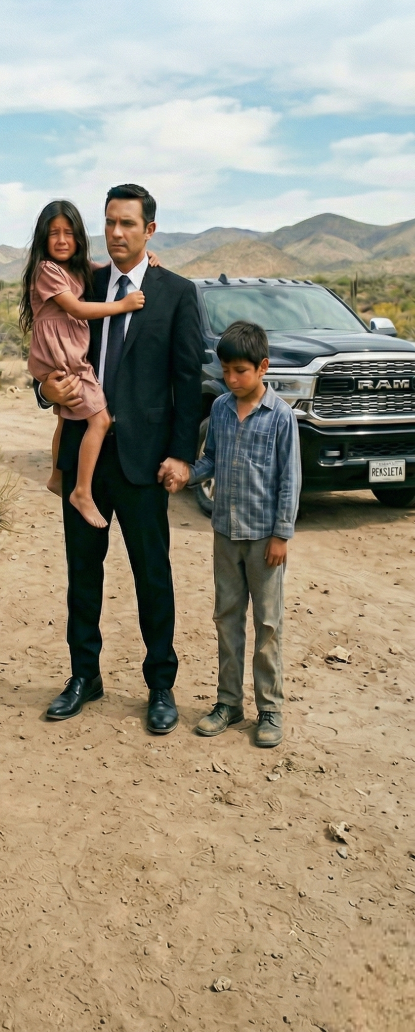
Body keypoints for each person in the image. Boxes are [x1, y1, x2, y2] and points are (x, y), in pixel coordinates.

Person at [37, 184, 203, 731]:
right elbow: (51, 350)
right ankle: (84, 675)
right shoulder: (83, 284)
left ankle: (160, 686)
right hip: (86, 456)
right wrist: (46, 394)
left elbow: (187, 380)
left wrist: (182, 456)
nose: (116, 233)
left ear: (149, 230)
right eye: (109, 222)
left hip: (143, 462)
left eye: (127, 224)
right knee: (81, 573)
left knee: (151, 574)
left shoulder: (176, 293)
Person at [162, 320, 300, 749]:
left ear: (263, 367)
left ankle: (270, 710)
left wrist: (281, 535)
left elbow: (289, 481)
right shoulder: (221, 409)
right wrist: (184, 474)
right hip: (225, 533)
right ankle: (228, 703)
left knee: (268, 623)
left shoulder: (280, 416)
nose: (231, 379)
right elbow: (211, 462)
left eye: (240, 371)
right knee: (227, 619)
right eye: (225, 371)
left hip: (264, 540)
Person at [21, 200, 146, 528]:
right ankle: (81, 490)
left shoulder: (77, 269)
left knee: (64, 418)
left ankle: (56, 476)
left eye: (69, 233)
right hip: (64, 358)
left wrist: (146, 260)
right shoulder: (47, 270)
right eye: (53, 234)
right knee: (100, 420)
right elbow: (76, 309)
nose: (61, 240)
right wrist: (122, 305)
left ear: (79, 237)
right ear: (42, 239)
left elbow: (108, 269)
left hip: (62, 354)